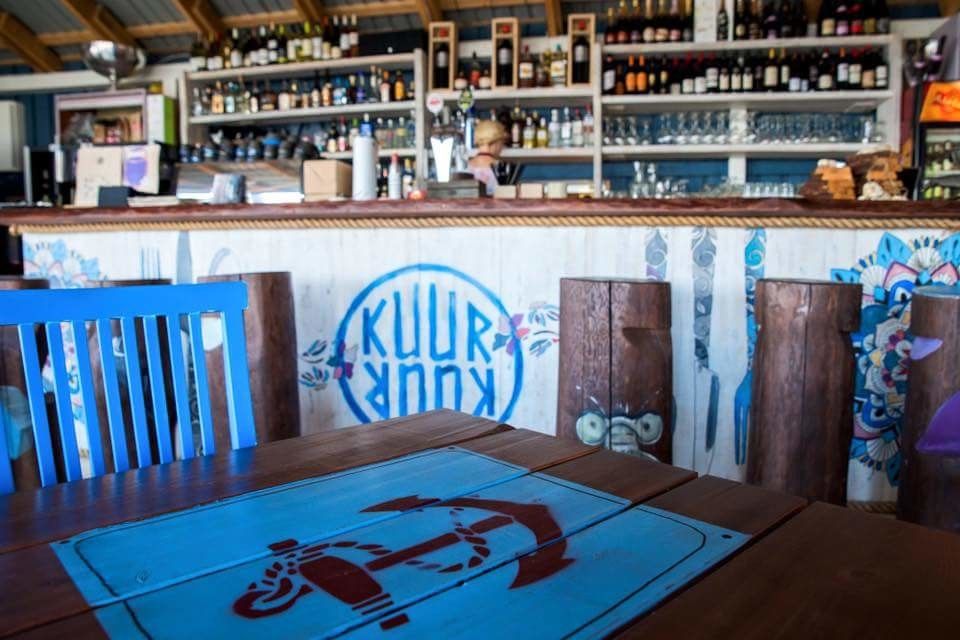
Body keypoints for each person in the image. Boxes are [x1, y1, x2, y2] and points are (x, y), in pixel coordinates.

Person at [468, 119, 507, 196]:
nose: (503, 147)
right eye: (502, 142)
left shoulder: (465, 168)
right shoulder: (502, 169)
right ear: (497, 142)